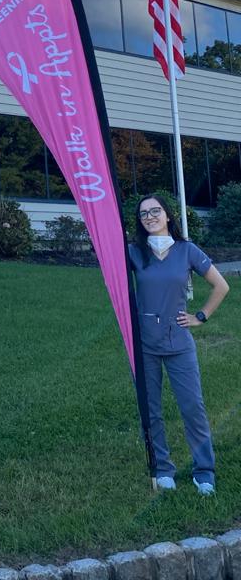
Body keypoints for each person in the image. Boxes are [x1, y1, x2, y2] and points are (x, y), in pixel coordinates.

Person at [128, 194, 229, 495]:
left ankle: (204, 471)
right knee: (152, 410)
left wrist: (200, 316)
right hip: (145, 342)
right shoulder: (134, 252)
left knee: (192, 407)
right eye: (144, 214)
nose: (150, 217)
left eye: (155, 211)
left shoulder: (187, 250)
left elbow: (221, 286)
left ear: (168, 216)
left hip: (179, 341)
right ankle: (162, 468)